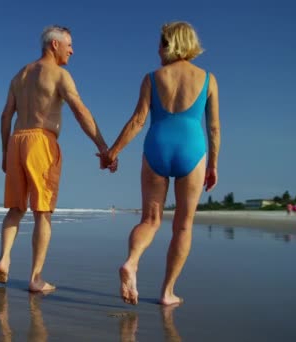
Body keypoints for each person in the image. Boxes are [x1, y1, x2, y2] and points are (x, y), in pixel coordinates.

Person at [100, 21, 220, 305]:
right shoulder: (208, 79)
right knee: (182, 226)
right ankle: (167, 292)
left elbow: (138, 120)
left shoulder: (152, 78)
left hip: (157, 147)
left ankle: (132, 261)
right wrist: (213, 164)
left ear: (171, 44)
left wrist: (112, 152)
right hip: (191, 149)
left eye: (161, 43)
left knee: (150, 220)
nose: (157, 49)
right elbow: (214, 128)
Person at [0, 25, 114, 293]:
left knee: (16, 208)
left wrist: (4, 152)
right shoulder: (59, 75)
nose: (72, 50)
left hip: (16, 140)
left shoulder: (19, 75)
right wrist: (103, 146)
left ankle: (4, 258)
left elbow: (5, 116)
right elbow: (80, 111)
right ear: (54, 45)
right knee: (42, 212)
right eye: (69, 44)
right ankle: (36, 278)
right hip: (41, 142)